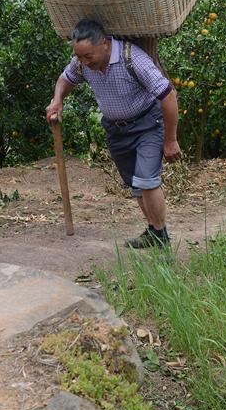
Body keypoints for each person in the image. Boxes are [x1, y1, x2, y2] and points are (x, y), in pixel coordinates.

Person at [46, 19, 182, 249]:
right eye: (80, 57)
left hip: (148, 123)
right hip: (116, 130)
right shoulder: (82, 64)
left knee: (147, 180)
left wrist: (170, 140)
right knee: (136, 185)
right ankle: (153, 230)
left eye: (88, 56)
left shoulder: (133, 58)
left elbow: (167, 96)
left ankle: (162, 237)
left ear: (106, 44)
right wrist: (57, 100)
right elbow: (65, 79)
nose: (84, 62)